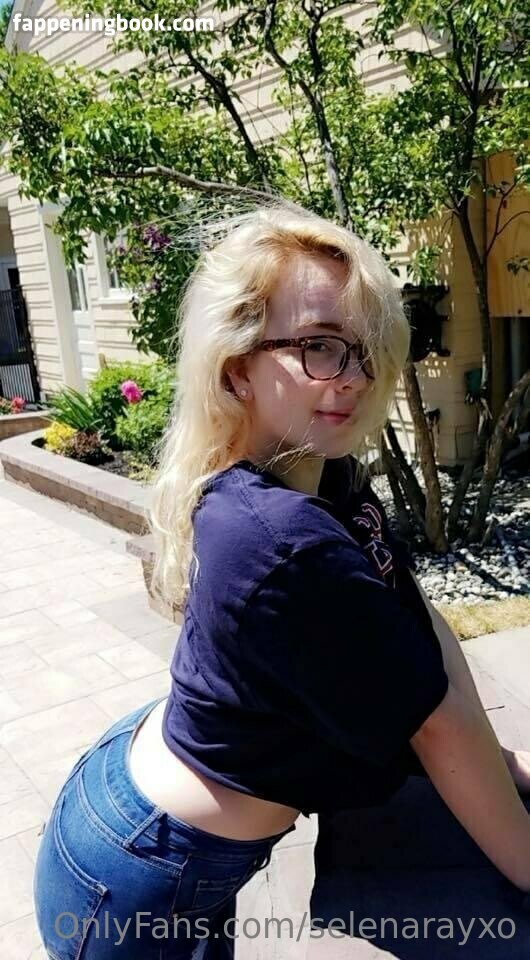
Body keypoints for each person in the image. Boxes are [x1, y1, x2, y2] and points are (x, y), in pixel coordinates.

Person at [33, 200, 530, 959]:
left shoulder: (321, 477)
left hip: (149, 804)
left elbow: (414, 628)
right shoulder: (281, 539)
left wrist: (501, 762)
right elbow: (432, 720)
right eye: (320, 346)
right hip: (140, 871)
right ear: (238, 366)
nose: (355, 377)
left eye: (366, 349)